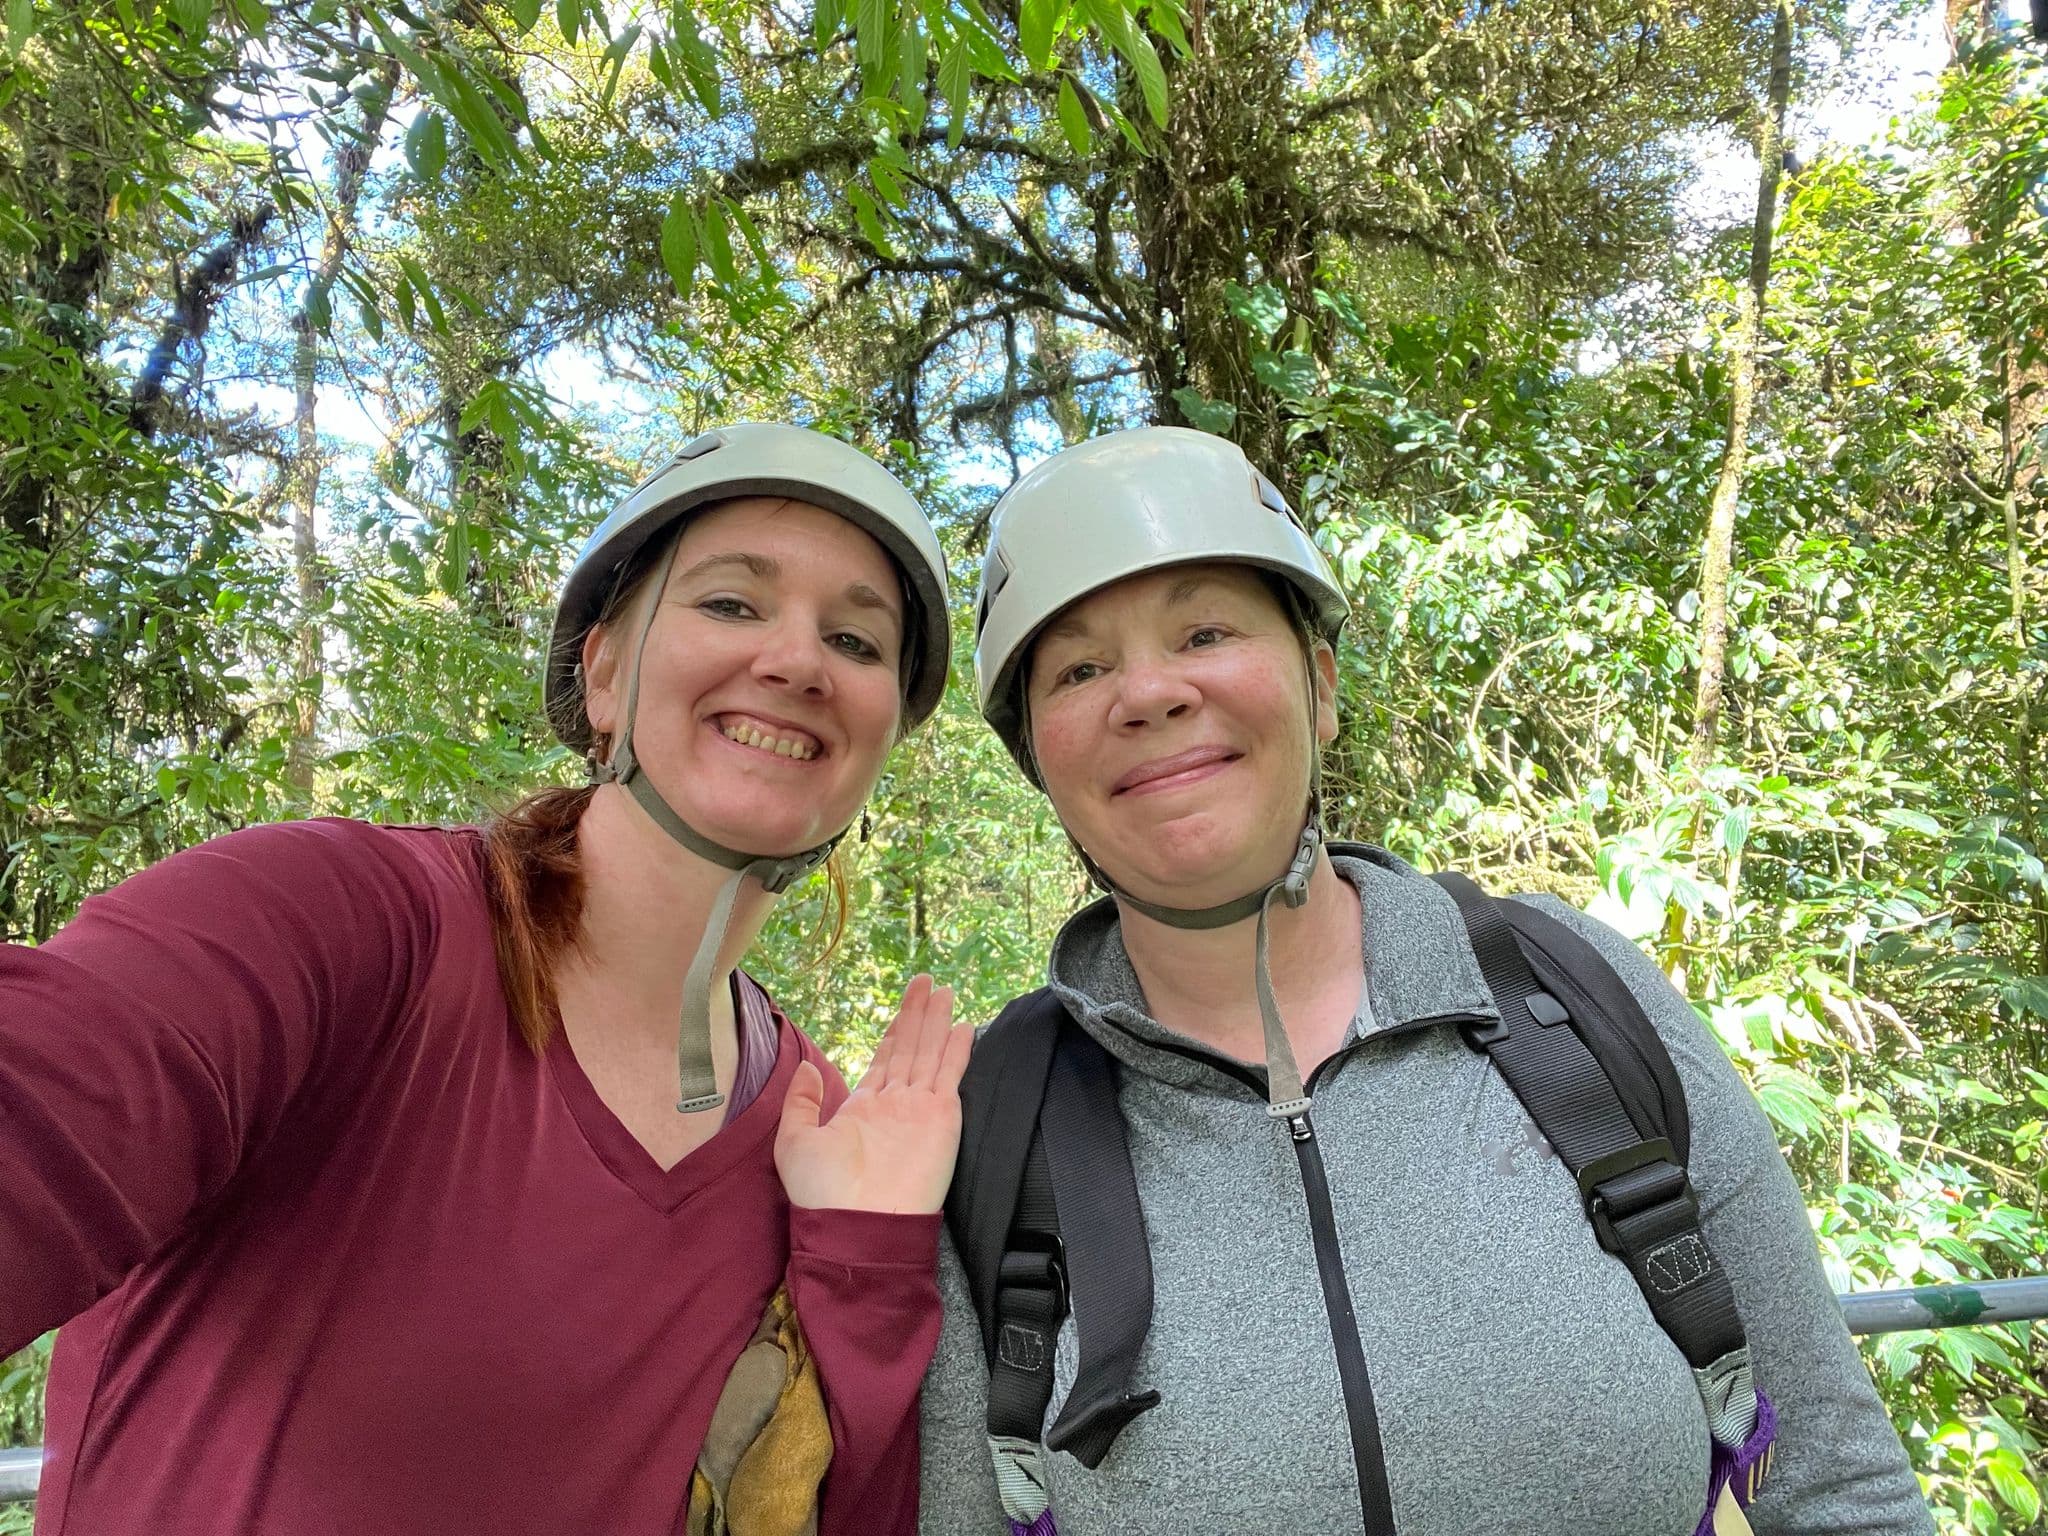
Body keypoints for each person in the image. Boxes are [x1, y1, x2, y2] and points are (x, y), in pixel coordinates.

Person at [919, 426, 1932, 1536]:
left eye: (1203, 630)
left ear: (1318, 686)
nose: (1148, 693)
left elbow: (1834, 1483)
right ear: (1039, 763)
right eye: (1078, 669)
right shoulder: (998, 1122)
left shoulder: (1564, 1005)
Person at [0, 422, 971, 1535]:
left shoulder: (817, 1132)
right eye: (731, 604)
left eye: (855, 640)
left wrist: (863, 1254)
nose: (797, 662)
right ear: (603, 672)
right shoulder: (338, 927)